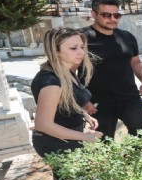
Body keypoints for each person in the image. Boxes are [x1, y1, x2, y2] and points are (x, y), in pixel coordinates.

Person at [31, 28, 103, 164]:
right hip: (56, 142)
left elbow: (65, 102)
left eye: (81, 47)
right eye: (73, 48)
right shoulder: (50, 82)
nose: (81, 52)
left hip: (66, 138)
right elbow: (43, 124)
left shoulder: (66, 72)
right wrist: (85, 137)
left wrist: (85, 115)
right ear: (56, 51)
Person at [81, 0, 142, 139]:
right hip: (98, 103)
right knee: (104, 145)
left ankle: (131, 162)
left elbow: (135, 61)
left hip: (130, 98)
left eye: (116, 15)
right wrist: (83, 100)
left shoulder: (127, 37)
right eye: (106, 15)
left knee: (139, 138)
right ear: (94, 14)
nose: (112, 19)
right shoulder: (82, 38)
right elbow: (69, 72)